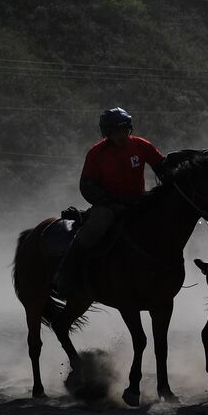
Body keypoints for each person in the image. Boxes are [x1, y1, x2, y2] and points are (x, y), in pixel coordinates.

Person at [54, 108, 165, 298]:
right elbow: (87, 186)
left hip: (139, 201)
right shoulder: (96, 154)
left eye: (125, 130)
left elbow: (163, 167)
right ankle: (65, 275)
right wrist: (110, 203)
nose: (122, 135)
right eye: (116, 132)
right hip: (108, 205)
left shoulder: (142, 146)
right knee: (95, 227)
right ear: (107, 133)